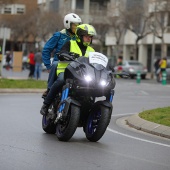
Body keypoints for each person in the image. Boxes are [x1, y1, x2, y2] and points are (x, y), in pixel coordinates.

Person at [40, 24, 97, 115]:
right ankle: (46, 104)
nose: (89, 38)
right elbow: (62, 52)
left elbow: (96, 63)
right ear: (80, 36)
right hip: (67, 70)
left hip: (82, 74)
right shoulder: (70, 43)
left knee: (95, 85)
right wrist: (65, 54)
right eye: (86, 36)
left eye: (90, 37)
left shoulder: (92, 50)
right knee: (61, 80)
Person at [42, 13, 82, 97]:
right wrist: (48, 65)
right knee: (55, 65)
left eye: (78, 25)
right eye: (74, 25)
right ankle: (49, 90)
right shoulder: (59, 35)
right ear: (68, 24)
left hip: (75, 65)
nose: (76, 27)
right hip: (60, 63)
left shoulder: (79, 37)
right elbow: (46, 49)